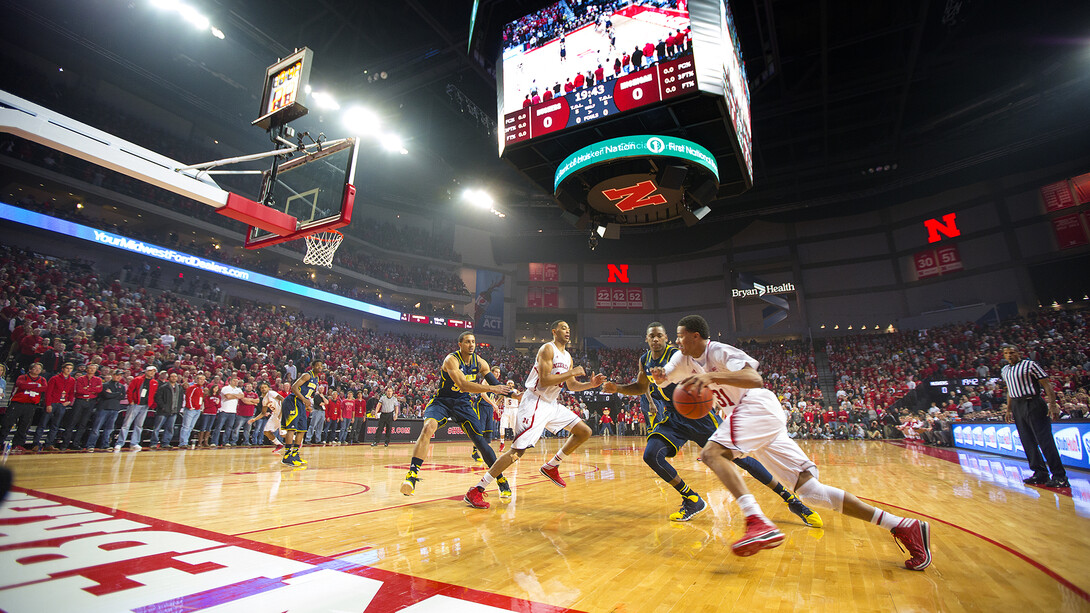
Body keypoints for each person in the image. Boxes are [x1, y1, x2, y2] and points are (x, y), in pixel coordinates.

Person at [652, 315, 931, 569]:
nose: (677, 341)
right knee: (811, 492)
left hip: (754, 405)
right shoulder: (682, 358)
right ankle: (903, 526)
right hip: (755, 419)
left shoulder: (720, 351)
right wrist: (660, 376)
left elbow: (754, 377)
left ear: (696, 336)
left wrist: (712, 375)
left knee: (712, 453)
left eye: (680, 335)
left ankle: (756, 521)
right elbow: (666, 375)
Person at [604, 322, 822, 525]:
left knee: (742, 460)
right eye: (652, 336)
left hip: (700, 416)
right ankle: (691, 499)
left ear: (667, 338)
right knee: (651, 454)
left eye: (660, 336)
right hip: (673, 416)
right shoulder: (645, 360)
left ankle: (792, 501)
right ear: (646, 339)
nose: (655, 340)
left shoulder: (679, 355)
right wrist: (618, 388)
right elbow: (642, 387)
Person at [464, 320, 603, 509]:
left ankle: (552, 466)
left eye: (569, 328)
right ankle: (477, 489)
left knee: (584, 431)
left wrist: (590, 384)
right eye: (563, 328)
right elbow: (544, 380)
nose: (567, 331)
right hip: (535, 402)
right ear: (554, 331)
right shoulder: (547, 349)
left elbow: (571, 386)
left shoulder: (568, 357)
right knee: (517, 452)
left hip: (551, 404)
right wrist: (571, 372)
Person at [401, 332, 512, 498]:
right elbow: (463, 385)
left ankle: (501, 479)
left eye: (473, 342)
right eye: (467, 342)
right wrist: (491, 389)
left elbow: (497, 385)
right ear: (460, 344)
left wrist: (515, 394)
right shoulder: (451, 359)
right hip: (443, 401)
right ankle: (412, 475)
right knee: (427, 428)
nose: (471, 345)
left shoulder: (480, 362)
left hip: (463, 404)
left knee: (481, 443)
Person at [1000, 345, 1068, 488]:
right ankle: (1040, 473)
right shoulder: (1005, 370)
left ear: (1018, 353)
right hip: (1017, 405)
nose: (1009, 355)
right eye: (1006, 353)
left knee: (1044, 441)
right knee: (1027, 441)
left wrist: (1053, 404)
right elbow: (1010, 391)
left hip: (1033, 403)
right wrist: (1008, 410)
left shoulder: (1030, 365)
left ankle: (1059, 476)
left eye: (1012, 352)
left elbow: (1047, 385)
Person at [281, 361, 326, 466]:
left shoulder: (317, 379)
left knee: (302, 430)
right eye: (317, 366)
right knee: (291, 429)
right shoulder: (307, 375)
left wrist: (306, 405)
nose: (320, 367)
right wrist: (304, 400)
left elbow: (307, 393)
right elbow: (294, 388)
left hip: (301, 403)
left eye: (321, 366)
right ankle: (287, 456)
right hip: (293, 401)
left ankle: (295, 454)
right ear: (313, 366)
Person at [1, 362, 46, 451]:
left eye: (39, 369)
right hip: (17, 403)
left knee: (24, 425)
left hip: (31, 405)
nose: (37, 370)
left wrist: (29, 387)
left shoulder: (42, 379)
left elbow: (44, 388)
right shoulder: (23, 377)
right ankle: (1, 441)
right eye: (35, 368)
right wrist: (36, 386)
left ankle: (18, 444)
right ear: (30, 369)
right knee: (7, 423)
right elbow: (21, 385)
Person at [116, 365, 159, 452]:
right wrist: (131, 400)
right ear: (146, 371)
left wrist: (151, 404)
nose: (152, 373)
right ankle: (120, 443)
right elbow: (130, 390)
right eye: (150, 371)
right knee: (126, 424)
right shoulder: (137, 379)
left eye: (153, 371)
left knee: (139, 425)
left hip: (145, 405)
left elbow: (153, 394)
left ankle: (134, 442)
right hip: (135, 404)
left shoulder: (154, 382)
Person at [35, 361, 75, 451]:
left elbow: (72, 393)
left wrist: (69, 401)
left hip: (62, 405)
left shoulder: (72, 380)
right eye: (67, 368)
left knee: (55, 425)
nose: (69, 370)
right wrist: (48, 404)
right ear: (63, 369)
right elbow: (48, 392)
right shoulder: (54, 378)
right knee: (43, 424)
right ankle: (36, 443)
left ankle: (49, 444)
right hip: (52, 403)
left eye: (70, 369)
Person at [63, 363, 102, 450]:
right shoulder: (80, 378)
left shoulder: (98, 379)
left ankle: (75, 444)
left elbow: (99, 390)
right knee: (72, 422)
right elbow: (79, 390)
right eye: (90, 368)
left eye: (94, 369)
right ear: (86, 370)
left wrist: (87, 389)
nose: (92, 370)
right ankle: (65, 444)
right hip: (80, 401)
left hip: (90, 402)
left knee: (83, 424)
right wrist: (92, 390)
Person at [149, 372, 184, 449]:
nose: (174, 378)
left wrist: (178, 408)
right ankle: (154, 443)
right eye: (172, 376)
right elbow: (158, 398)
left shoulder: (179, 387)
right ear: (169, 378)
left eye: (175, 376)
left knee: (170, 428)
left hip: (174, 411)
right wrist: (163, 407)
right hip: (163, 411)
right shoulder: (163, 387)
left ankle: (165, 442)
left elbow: (181, 399)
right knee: (157, 427)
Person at [180, 373, 207, 448]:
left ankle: (186, 441)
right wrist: (190, 407)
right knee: (186, 426)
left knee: (191, 427)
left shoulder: (200, 389)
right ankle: (183, 443)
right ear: (196, 379)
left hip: (197, 410)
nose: (202, 381)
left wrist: (200, 408)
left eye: (203, 379)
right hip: (191, 410)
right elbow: (188, 397)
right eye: (200, 379)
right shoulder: (192, 387)